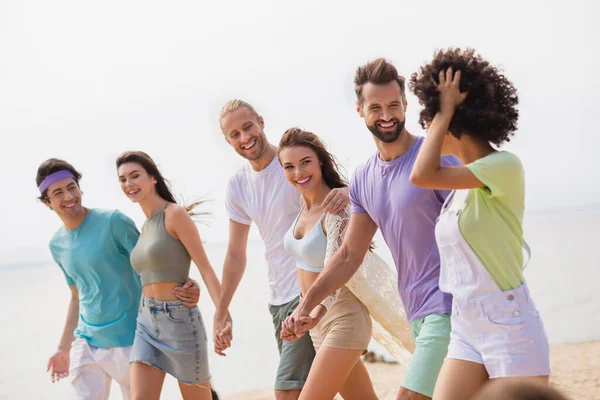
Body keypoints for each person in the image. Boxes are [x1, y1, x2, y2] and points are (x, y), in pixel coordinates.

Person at [286, 58, 461, 400]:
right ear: (360, 110)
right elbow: (349, 254)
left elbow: (472, 227)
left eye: (394, 105)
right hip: (417, 309)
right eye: (376, 107)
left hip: (451, 305)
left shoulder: (436, 156)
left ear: (406, 105)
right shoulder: (364, 176)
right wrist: (305, 306)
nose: (386, 115)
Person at [409, 48, 551, 400]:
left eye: (429, 120)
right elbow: (426, 176)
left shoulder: (504, 166)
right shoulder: (459, 187)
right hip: (465, 323)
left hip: (509, 324)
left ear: (454, 120)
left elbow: (421, 174)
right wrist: (445, 113)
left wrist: (444, 110)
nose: (427, 131)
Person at [213, 100, 349, 400]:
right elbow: (235, 253)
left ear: (260, 121)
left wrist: (350, 191)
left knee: (287, 390)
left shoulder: (293, 166)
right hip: (277, 299)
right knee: (343, 386)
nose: (244, 137)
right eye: (234, 134)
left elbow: (337, 193)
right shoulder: (238, 185)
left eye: (248, 126)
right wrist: (222, 311)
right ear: (227, 140)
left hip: (308, 294)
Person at [39, 158, 200, 400]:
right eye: (58, 193)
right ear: (47, 202)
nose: (68, 196)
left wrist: (186, 286)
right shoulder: (56, 245)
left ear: (79, 188)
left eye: (71, 187)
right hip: (87, 341)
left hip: (130, 339)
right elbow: (77, 296)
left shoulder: (113, 222)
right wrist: (63, 348)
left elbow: (154, 265)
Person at [277, 127, 378, 400]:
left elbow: (340, 268)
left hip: (342, 317)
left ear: (320, 161)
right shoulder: (303, 206)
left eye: (305, 162)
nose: (298, 173)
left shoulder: (337, 208)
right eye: (289, 166)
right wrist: (307, 317)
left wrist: (310, 311)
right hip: (315, 323)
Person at [116, 151, 222, 400]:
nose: (129, 184)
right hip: (145, 322)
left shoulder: (175, 215)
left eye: (135, 176)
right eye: (122, 179)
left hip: (179, 321)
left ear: (153, 178)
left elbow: (205, 267)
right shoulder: (145, 227)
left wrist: (222, 314)